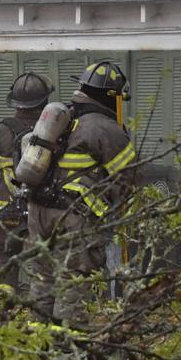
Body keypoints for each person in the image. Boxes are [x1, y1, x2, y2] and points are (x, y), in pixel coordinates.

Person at [27, 60, 135, 325]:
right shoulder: (106, 129)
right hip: (73, 220)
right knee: (71, 286)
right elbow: (130, 178)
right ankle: (68, 348)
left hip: (38, 212)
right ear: (111, 97)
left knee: (42, 282)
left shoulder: (62, 121)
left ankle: (33, 347)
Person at [0, 71, 54, 290]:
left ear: (16, 102)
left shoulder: (1, 132)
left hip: (8, 211)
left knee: (3, 263)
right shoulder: (56, 131)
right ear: (45, 100)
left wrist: (2, 190)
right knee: (47, 268)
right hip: (45, 212)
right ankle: (41, 316)